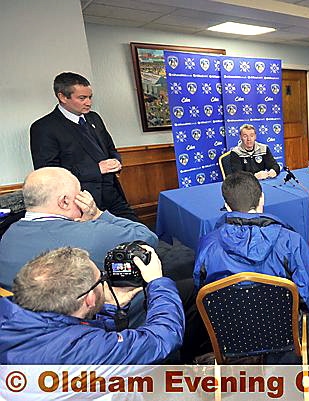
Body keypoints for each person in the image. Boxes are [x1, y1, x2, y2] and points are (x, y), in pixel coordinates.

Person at [0, 246, 184, 364]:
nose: (104, 281)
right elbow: (163, 338)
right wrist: (157, 282)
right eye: (101, 279)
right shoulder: (80, 350)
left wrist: (110, 310)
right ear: (89, 299)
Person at [0, 167, 157, 290]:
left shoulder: (8, 235)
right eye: (79, 195)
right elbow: (147, 238)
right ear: (65, 202)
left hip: (23, 324)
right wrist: (98, 215)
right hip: (92, 324)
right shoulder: (92, 234)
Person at [194, 171, 309, 313]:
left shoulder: (208, 244)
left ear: (227, 206)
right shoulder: (291, 241)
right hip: (282, 329)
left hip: (226, 330)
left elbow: (202, 293)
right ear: (262, 199)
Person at [30, 72, 137, 221]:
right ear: (62, 97)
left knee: (140, 234)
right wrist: (96, 169)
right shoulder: (44, 128)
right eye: (82, 98)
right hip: (80, 203)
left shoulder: (94, 118)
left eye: (90, 97)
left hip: (112, 194)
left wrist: (116, 161)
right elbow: (49, 174)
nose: (88, 102)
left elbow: (110, 148)